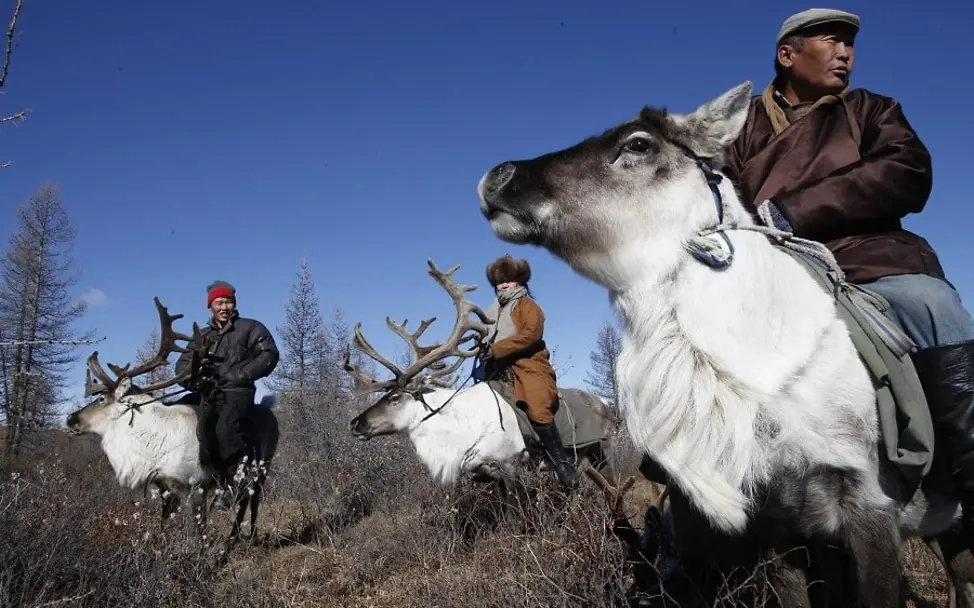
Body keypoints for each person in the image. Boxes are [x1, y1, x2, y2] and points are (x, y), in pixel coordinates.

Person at [720, 8, 974, 551]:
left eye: (850, 45)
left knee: (932, 304)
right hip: (775, 272)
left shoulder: (871, 110)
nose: (845, 53)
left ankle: (966, 470)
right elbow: (719, 201)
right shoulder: (739, 131)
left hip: (869, 260)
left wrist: (795, 210)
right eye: (832, 41)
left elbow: (906, 170)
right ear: (788, 55)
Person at [479, 254, 580, 489]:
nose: (503, 285)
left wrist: (497, 349)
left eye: (508, 280)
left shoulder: (527, 306)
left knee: (537, 406)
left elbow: (531, 335)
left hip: (529, 366)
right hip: (498, 369)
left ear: (520, 281)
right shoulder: (492, 311)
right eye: (499, 282)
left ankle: (561, 463)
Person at [174, 280, 280, 501]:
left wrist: (240, 375)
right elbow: (182, 366)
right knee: (179, 415)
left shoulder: (251, 328)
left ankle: (233, 485)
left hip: (237, 392)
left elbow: (269, 355)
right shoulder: (201, 336)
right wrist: (196, 382)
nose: (224, 307)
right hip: (208, 393)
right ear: (210, 306)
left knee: (226, 430)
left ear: (234, 304)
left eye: (228, 302)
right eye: (219, 302)